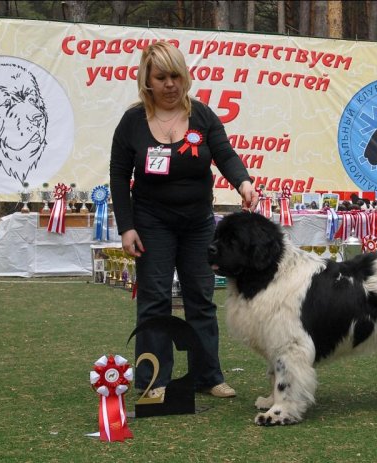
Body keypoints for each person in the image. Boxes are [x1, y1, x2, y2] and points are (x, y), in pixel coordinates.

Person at [110, 41, 259, 400]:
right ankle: (153, 379)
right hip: (151, 223)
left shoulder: (203, 116)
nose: (170, 84)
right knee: (155, 300)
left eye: (176, 75)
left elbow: (224, 154)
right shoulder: (132, 121)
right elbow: (118, 175)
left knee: (201, 298)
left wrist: (243, 181)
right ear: (147, 79)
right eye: (161, 77)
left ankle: (208, 376)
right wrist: (127, 226)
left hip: (197, 225)